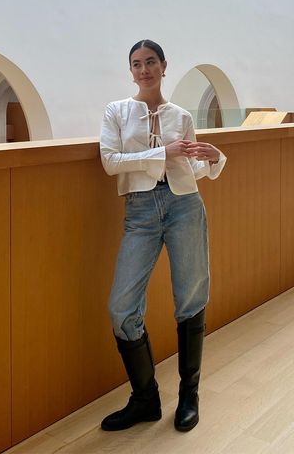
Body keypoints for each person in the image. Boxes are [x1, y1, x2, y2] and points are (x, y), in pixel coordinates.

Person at [99, 39, 226, 432]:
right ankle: (145, 398)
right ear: (131, 70)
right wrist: (161, 154)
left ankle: (190, 393)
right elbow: (109, 161)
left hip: (185, 205)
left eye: (150, 62)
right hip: (139, 209)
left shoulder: (181, 114)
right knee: (122, 308)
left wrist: (214, 159)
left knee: (190, 296)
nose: (143, 70)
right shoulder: (117, 111)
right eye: (136, 64)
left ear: (163, 66)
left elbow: (187, 169)